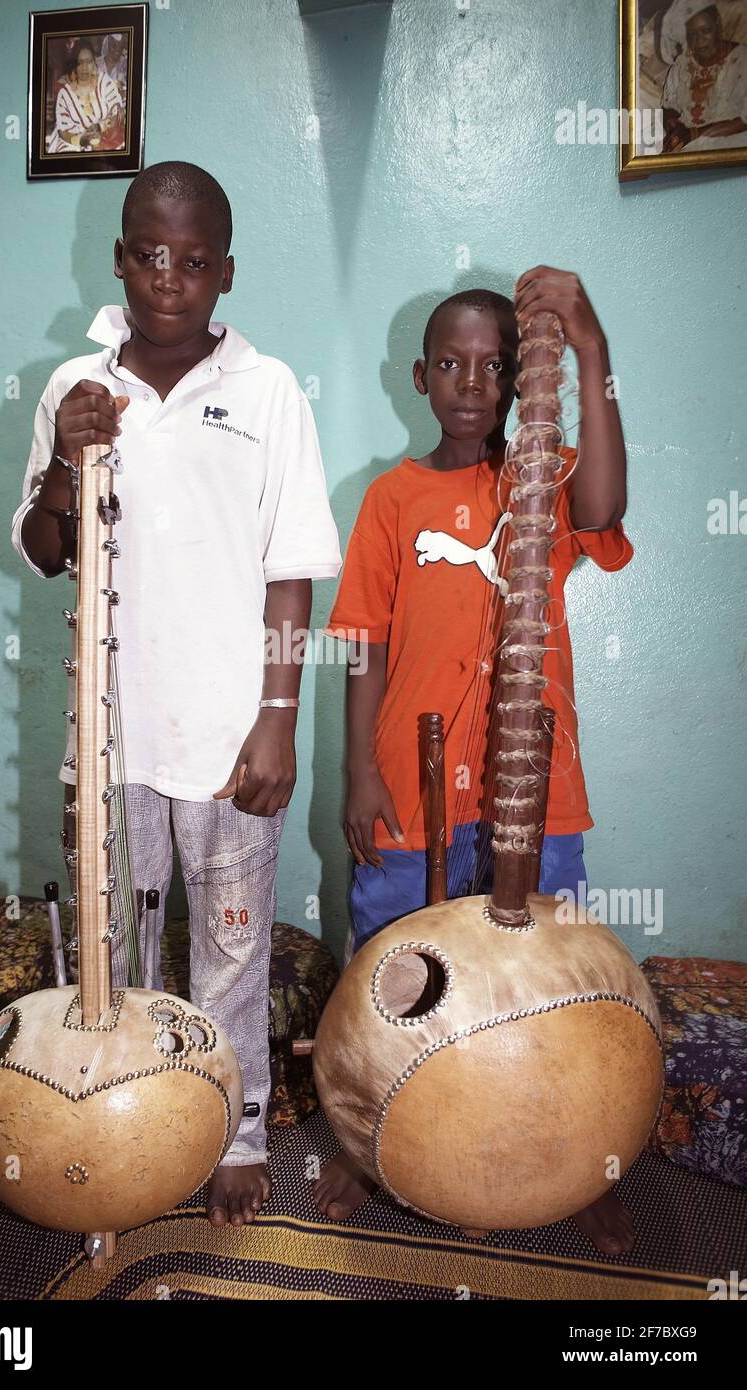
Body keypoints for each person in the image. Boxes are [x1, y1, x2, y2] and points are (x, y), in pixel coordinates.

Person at [12, 161, 342, 1226]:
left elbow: (290, 565)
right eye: (149, 255)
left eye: (193, 260)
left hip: (229, 737)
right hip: (108, 740)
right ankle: (130, 1109)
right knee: (119, 950)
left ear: (226, 273)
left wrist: (279, 718)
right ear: (118, 259)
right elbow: (41, 546)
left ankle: (233, 1131)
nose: (169, 278)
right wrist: (69, 460)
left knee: (233, 945)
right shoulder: (77, 387)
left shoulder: (268, 390)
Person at [316, 272, 639, 1257]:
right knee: (394, 975)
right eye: (449, 364)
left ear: (513, 383)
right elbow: (361, 645)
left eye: (491, 367)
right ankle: (367, 1143)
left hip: (532, 795)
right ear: (418, 377)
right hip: (407, 794)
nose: (469, 383)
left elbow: (607, 499)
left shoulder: (537, 484)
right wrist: (354, 774)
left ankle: (576, 1150)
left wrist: (589, 349)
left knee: (544, 975)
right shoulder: (389, 497)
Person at [661, 2, 747, 151]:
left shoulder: (741, 60)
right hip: (687, 144)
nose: (699, 40)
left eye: (706, 30)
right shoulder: (681, 65)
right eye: (692, 34)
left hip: (732, 148)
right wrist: (671, 121)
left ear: (718, 26)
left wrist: (694, 134)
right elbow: (669, 106)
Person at [47, 40, 125, 153]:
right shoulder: (65, 94)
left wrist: (101, 128)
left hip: (106, 140)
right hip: (72, 144)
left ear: (94, 63)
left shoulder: (104, 82)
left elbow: (117, 112)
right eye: (80, 62)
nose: (85, 67)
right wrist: (80, 140)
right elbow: (63, 132)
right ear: (74, 65)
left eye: (89, 62)